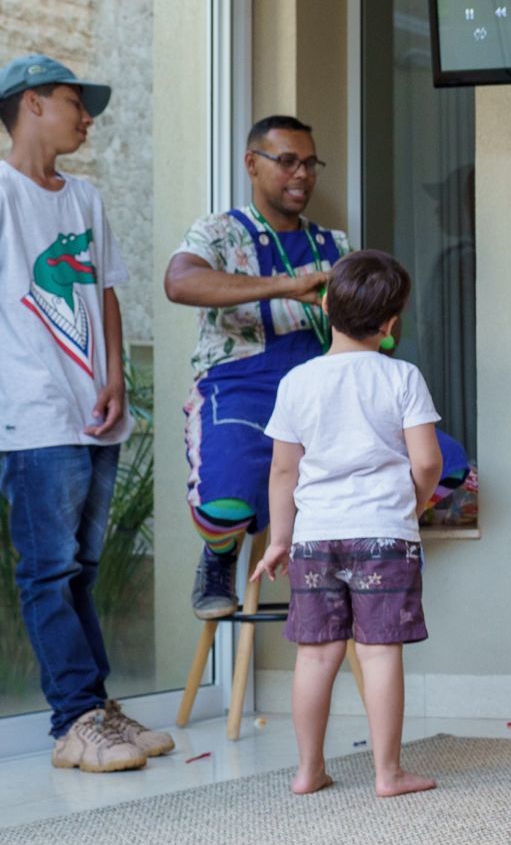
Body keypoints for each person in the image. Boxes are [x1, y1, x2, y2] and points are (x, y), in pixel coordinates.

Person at [164, 116, 470, 620]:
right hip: (241, 385)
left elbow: (373, 332)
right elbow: (179, 283)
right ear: (251, 164)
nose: (301, 174)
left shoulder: (336, 244)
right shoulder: (217, 231)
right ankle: (220, 558)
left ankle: (354, 530)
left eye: (309, 163)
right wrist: (288, 285)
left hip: (329, 387)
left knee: (449, 461)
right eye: (287, 161)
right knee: (226, 504)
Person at [0, 53, 173, 772]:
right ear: (32, 103)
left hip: (95, 408)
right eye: (75, 101)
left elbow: (104, 291)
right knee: (47, 570)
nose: (87, 116)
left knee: (79, 571)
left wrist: (117, 380)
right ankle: (73, 719)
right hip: (33, 412)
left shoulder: (86, 198)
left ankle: (95, 712)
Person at [250, 250, 441, 797]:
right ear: (390, 322)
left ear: (327, 305)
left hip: (315, 537)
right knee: (378, 651)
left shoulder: (297, 382)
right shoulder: (402, 376)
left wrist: (278, 541)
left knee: (315, 654)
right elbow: (427, 462)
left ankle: (308, 770)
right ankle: (388, 773)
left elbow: (284, 469)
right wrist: (416, 501)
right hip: (383, 531)